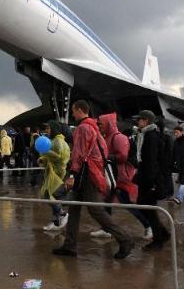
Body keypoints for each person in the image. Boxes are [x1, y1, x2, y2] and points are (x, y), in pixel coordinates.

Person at [52, 101, 134, 260]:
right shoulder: (94, 127)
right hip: (91, 172)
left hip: (86, 174)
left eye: (74, 111)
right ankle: (69, 245)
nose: (72, 114)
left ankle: (125, 239)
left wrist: (72, 176)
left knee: (95, 210)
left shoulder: (82, 128)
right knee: (74, 208)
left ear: (79, 110)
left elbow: (79, 153)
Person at [91, 113, 152, 239]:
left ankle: (148, 225)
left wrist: (106, 158)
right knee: (106, 202)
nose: (99, 126)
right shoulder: (107, 137)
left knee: (127, 204)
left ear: (108, 124)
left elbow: (122, 156)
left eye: (101, 124)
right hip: (112, 176)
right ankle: (106, 229)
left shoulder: (119, 138)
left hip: (122, 177)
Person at [133, 109, 171, 251]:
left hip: (150, 180)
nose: (138, 121)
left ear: (146, 121)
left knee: (149, 209)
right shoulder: (145, 135)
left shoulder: (151, 137)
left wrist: (150, 183)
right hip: (147, 178)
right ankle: (163, 233)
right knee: (146, 208)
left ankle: (158, 241)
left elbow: (152, 162)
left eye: (140, 119)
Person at [39, 120, 70, 231]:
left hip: (57, 172)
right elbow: (53, 156)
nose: (46, 131)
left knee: (46, 195)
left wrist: (45, 152)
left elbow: (58, 157)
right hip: (54, 171)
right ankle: (56, 222)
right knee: (51, 196)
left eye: (48, 128)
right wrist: (43, 159)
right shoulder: (56, 140)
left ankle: (62, 214)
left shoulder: (58, 141)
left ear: (54, 129)